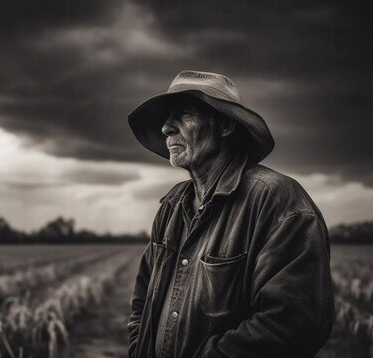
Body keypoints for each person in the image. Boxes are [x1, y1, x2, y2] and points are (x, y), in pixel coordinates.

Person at [126, 70, 335, 358]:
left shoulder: (277, 201)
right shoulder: (172, 205)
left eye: (184, 114)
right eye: (166, 118)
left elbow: (293, 324)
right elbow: (142, 301)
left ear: (224, 125)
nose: (166, 129)